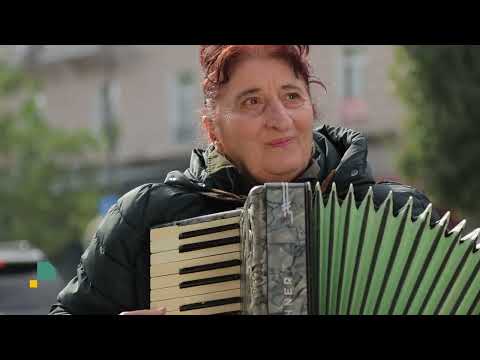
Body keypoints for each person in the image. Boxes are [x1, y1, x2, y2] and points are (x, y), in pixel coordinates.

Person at [49, 45, 439, 315]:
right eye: (252, 101)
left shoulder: (396, 214)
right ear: (212, 128)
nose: (280, 119)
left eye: (291, 96)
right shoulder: (147, 218)